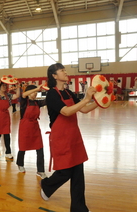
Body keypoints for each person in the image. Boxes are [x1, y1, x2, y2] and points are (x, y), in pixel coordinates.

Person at [40, 63, 98, 212]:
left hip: (74, 137)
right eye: (62, 70)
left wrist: (100, 102)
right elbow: (66, 112)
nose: (66, 72)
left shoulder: (69, 93)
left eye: (65, 70)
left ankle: (79, 208)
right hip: (61, 137)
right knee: (66, 171)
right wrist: (86, 98)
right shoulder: (52, 94)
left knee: (78, 172)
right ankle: (46, 186)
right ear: (54, 76)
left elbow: (84, 109)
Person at [16, 84, 47, 179]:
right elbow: (23, 95)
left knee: (40, 148)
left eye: (36, 92)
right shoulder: (24, 101)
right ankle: (20, 164)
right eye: (33, 92)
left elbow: (47, 100)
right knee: (23, 148)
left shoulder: (37, 103)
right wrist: (37, 88)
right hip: (25, 127)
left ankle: (40, 171)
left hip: (35, 127)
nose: (35, 94)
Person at [0, 79, 20, 159]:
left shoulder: (8, 95)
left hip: (5, 115)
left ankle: (8, 151)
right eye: (3, 85)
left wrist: (18, 87)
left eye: (5, 86)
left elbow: (17, 96)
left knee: (7, 134)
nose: (4, 87)